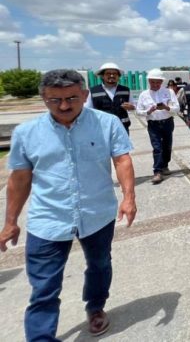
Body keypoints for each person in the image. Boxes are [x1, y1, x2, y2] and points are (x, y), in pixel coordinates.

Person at [0, 69, 136, 340]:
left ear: (85, 95)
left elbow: (122, 160)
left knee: (99, 265)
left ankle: (96, 307)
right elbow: (20, 178)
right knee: (44, 286)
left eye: (72, 98)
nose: (63, 106)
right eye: (54, 100)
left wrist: (129, 197)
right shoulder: (27, 133)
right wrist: (11, 221)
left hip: (96, 214)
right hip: (48, 218)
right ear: (43, 98)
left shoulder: (107, 123)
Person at [136, 68, 179, 184]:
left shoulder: (169, 92)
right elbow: (138, 111)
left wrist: (166, 107)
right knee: (157, 148)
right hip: (153, 124)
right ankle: (157, 171)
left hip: (167, 122)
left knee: (167, 146)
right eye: (152, 82)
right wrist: (148, 111)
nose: (155, 84)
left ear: (162, 82)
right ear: (149, 81)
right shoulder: (144, 95)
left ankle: (165, 165)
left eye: (158, 82)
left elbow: (177, 108)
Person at [85, 62, 135, 133]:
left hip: (122, 128)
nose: (112, 75)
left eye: (115, 74)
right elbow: (88, 110)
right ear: (102, 76)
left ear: (118, 76)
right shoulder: (93, 91)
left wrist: (132, 107)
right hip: (101, 128)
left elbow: (134, 107)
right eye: (108, 73)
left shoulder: (126, 90)